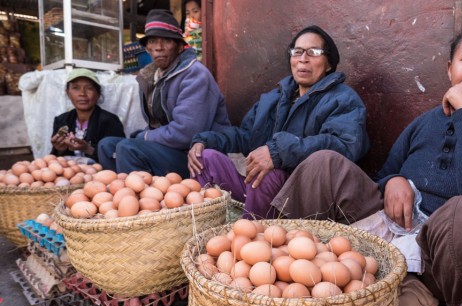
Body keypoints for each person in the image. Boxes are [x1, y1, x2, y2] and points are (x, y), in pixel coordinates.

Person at [272, 19, 462, 306]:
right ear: (450, 69)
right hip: (394, 229)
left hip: (457, 256)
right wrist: (392, 181)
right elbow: (387, 172)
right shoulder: (425, 122)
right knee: (324, 164)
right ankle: (282, 276)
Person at [188, 25, 370, 219]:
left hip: (303, 197)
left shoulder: (342, 99)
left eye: (314, 52)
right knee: (205, 158)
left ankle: (255, 240)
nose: (303, 59)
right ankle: (207, 235)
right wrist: (204, 140)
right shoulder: (273, 99)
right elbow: (246, 136)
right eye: (297, 52)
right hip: (260, 190)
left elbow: (344, 146)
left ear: (328, 64)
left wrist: (278, 152)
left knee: (265, 175)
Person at [98, 9, 229, 177]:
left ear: (180, 46)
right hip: (171, 149)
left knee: (128, 148)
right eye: (152, 41)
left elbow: (186, 133)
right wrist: (144, 136)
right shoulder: (151, 76)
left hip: (196, 155)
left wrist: (144, 136)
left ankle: (147, 200)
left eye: (166, 41)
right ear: (146, 48)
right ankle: (123, 197)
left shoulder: (195, 74)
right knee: (107, 146)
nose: (158, 47)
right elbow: (158, 125)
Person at [51, 68, 125, 163]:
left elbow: (118, 158)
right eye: (76, 88)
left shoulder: (110, 121)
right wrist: (59, 149)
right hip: (70, 172)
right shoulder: (62, 120)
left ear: (98, 94)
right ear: (68, 93)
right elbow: (55, 158)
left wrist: (88, 149)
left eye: (89, 88)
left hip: (99, 174)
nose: (82, 94)